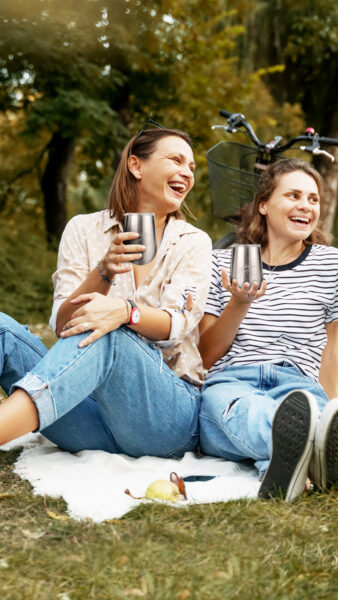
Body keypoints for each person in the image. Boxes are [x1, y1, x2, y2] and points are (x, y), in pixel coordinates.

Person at [0, 125, 212, 458]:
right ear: (136, 166)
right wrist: (104, 271)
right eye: (175, 160)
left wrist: (126, 313)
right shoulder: (83, 229)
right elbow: (63, 325)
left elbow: (177, 326)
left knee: (110, 331)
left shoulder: (193, 242)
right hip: (87, 416)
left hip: (165, 419)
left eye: (192, 167)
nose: (186, 172)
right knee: (2, 329)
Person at [197, 158, 338, 501]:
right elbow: (206, 355)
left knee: (297, 413)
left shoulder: (331, 264)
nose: (306, 206)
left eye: (313, 199)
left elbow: (331, 350)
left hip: (297, 387)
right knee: (241, 410)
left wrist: (330, 405)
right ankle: (312, 448)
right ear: (264, 205)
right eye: (294, 195)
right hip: (231, 383)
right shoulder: (223, 262)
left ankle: (293, 453)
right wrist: (237, 304)